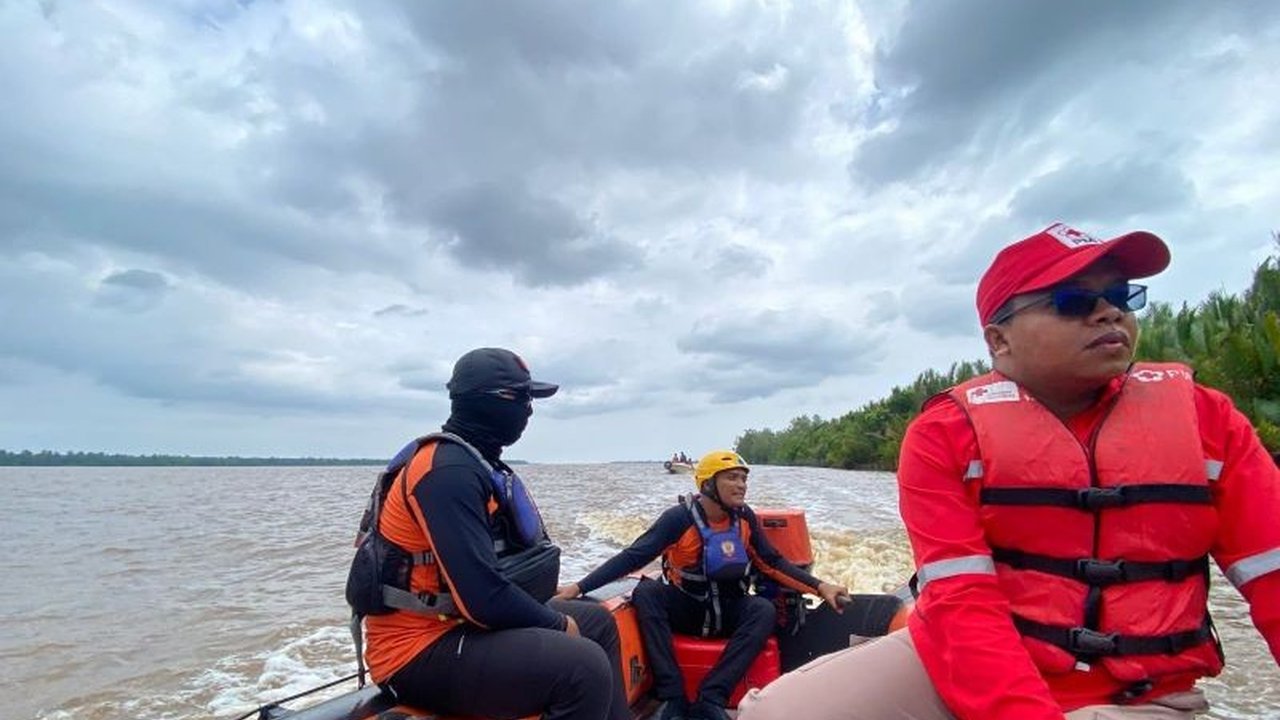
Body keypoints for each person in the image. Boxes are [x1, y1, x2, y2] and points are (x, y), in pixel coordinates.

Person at [736, 223, 1280, 719]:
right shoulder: (945, 433)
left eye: (1121, 296)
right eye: (1073, 301)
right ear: (999, 340)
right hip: (968, 655)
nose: (1108, 313)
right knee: (774, 713)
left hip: (1139, 690)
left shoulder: (1208, 420)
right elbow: (962, 601)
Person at [357, 348, 630, 720]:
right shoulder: (446, 473)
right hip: (415, 649)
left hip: (462, 625)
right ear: (488, 401)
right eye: (522, 399)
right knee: (583, 666)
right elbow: (481, 597)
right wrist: (557, 624)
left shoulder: (476, 462)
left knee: (598, 622)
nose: (529, 411)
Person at [554, 449, 850, 720]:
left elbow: (772, 562)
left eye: (744, 479)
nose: (741, 485)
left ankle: (712, 697)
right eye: (732, 478)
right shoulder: (678, 519)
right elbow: (633, 557)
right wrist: (579, 588)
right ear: (708, 484)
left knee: (763, 609)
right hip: (688, 609)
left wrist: (820, 586)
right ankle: (672, 697)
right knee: (647, 592)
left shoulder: (745, 518)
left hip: (730, 609)